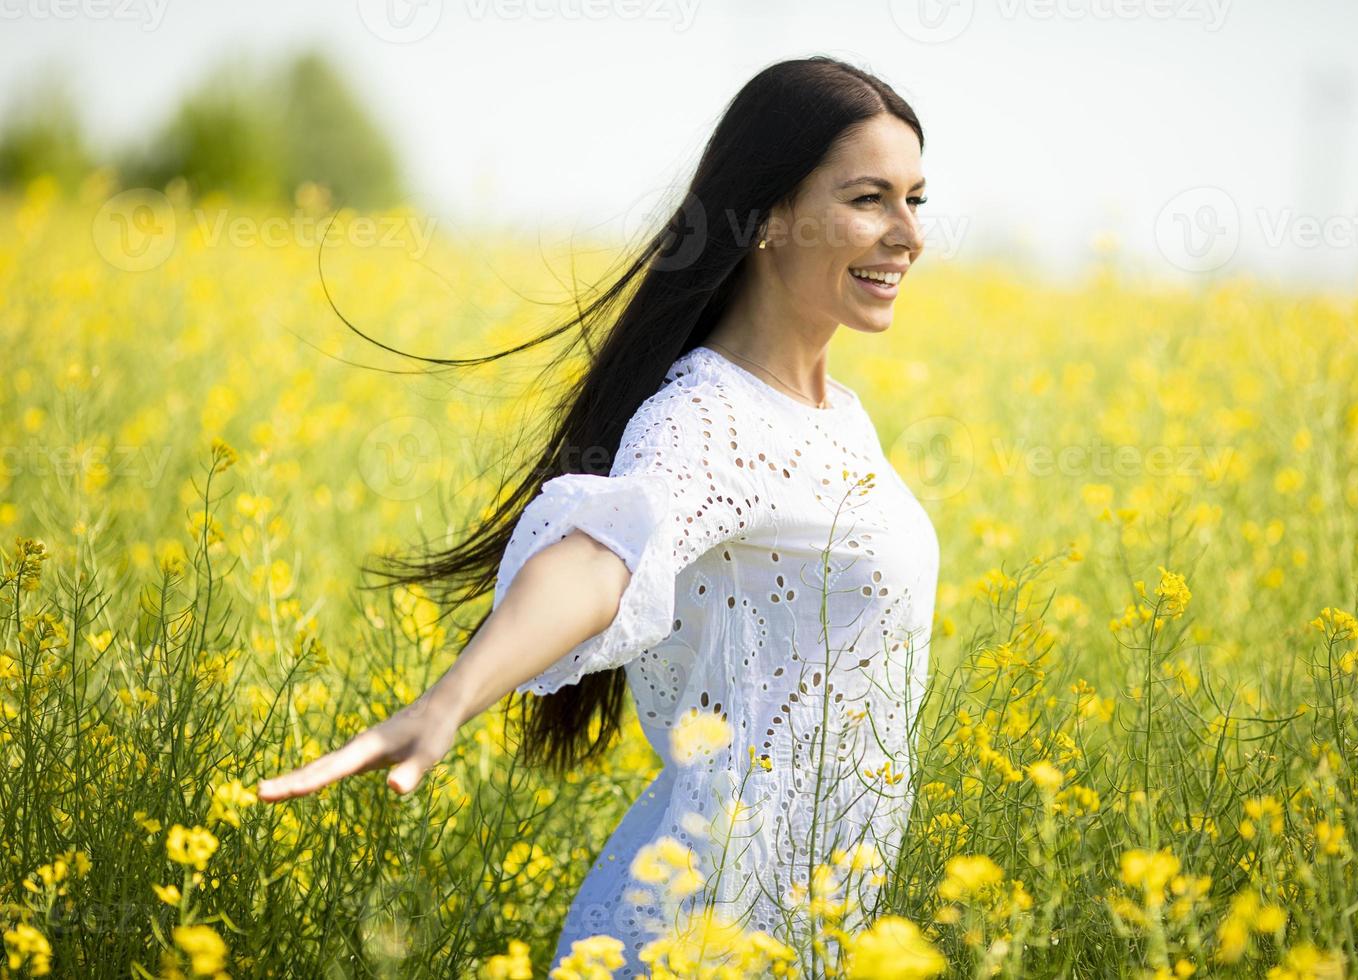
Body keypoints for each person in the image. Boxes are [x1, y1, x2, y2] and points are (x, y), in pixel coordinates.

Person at [256, 55, 939, 979]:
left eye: (916, 200)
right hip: (704, 933)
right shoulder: (710, 417)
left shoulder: (835, 417)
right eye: (870, 199)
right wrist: (450, 700)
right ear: (768, 216)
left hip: (799, 927)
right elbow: (602, 553)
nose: (908, 234)